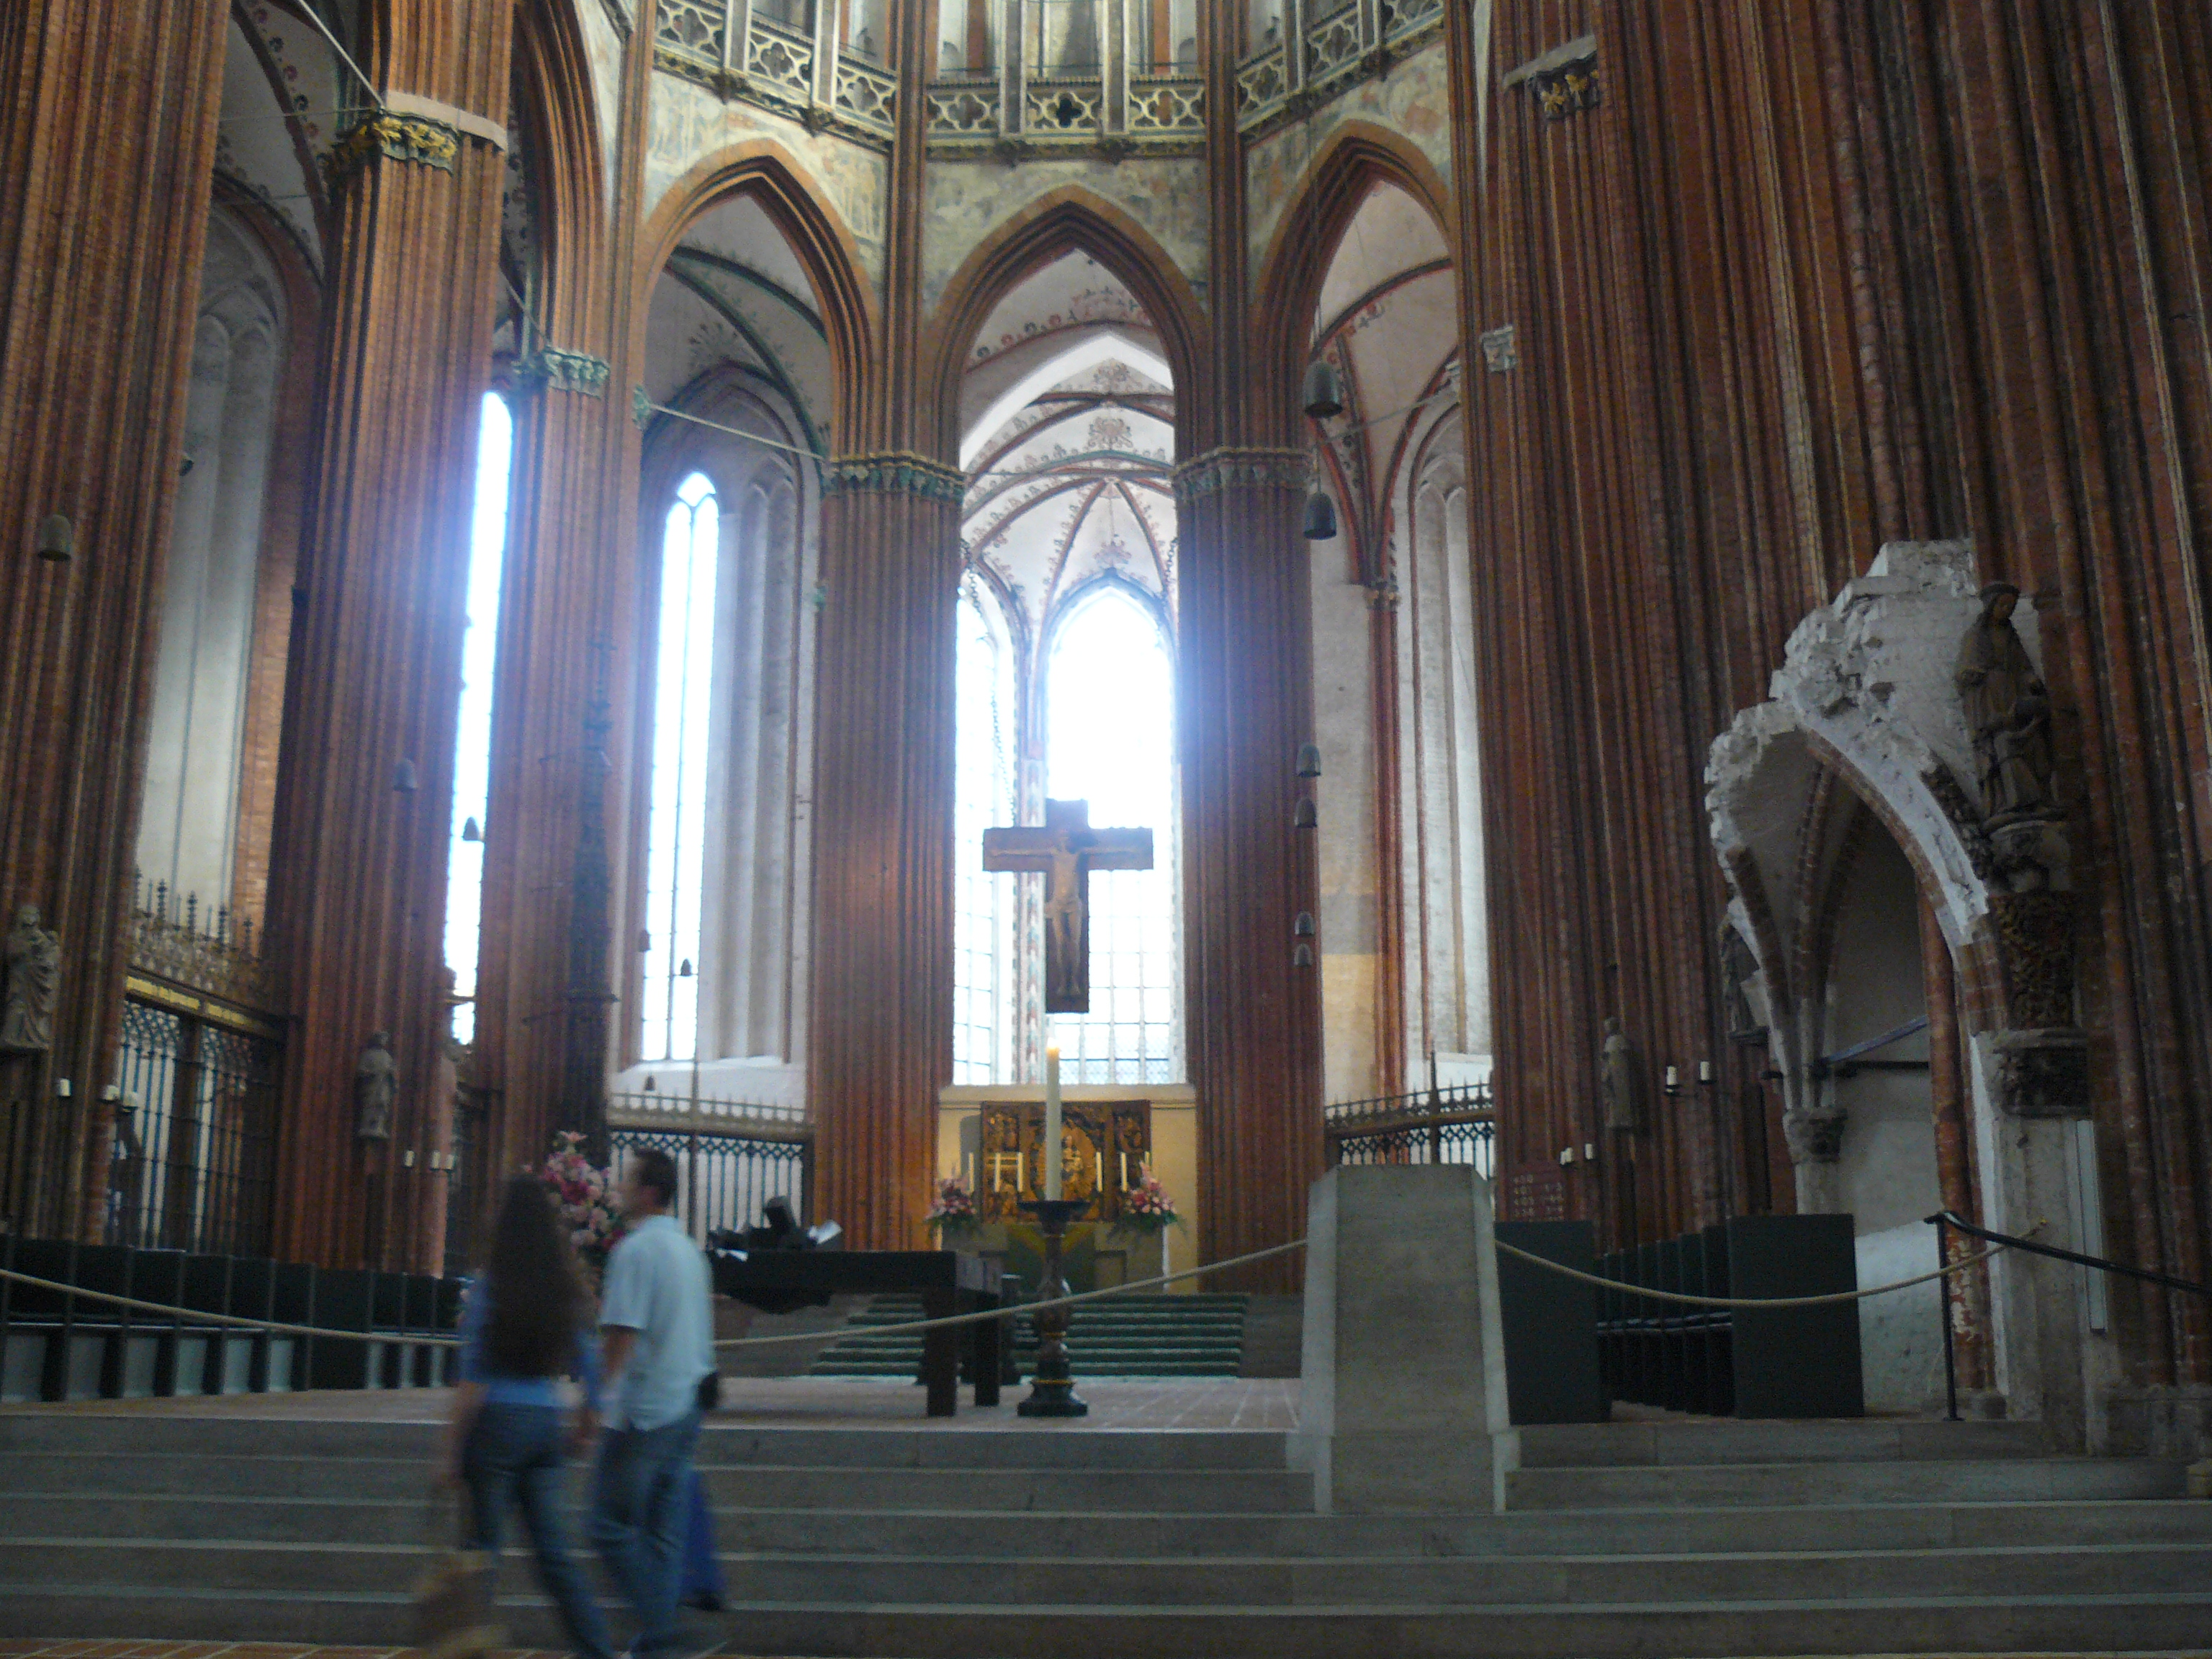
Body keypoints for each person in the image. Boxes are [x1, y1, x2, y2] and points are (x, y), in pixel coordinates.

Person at [442, 1174, 613, 1659]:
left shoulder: (490, 1286)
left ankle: (466, 1650)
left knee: (482, 1556)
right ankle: (598, 1651)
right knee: (555, 1558)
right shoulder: (563, 1287)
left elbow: (472, 1376)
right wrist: (587, 1422)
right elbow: (591, 1365)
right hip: (544, 1425)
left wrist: (449, 1451)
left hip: (495, 1426)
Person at [592, 1145, 716, 1656]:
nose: (618, 1189)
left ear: (647, 1192)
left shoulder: (636, 1250)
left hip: (645, 1413)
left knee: (607, 1526)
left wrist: (594, 1403)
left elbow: (622, 1333)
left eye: (627, 1180)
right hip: (686, 1404)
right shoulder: (689, 1251)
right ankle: (657, 1646)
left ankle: (664, 1633)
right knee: (664, 1536)